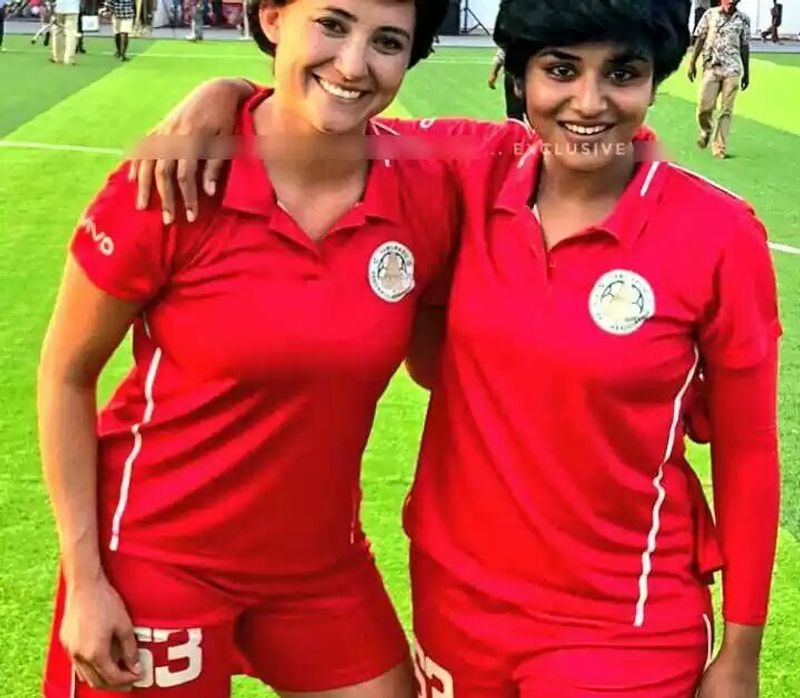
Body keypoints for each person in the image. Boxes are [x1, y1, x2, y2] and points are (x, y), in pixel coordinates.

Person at [133, 0, 781, 696]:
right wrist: (226, 96)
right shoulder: (473, 168)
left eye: (623, 73)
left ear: (656, 78)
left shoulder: (717, 233)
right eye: (561, 70)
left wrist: (741, 653)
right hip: (456, 600)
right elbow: (329, 113)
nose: (589, 102)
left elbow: (747, 448)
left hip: (622, 619)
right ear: (521, 75)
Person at [38, 1, 456, 697]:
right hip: (157, 556)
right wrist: (85, 579)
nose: (354, 64)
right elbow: (66, 373)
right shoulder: (174, 176)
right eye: (332, 25)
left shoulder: (428, 182)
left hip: (319, 564)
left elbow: (574, 132)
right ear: (272, 17)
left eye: (387, 41)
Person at [688, 0, 751, 159]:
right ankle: (706, 130)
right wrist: (692, 62)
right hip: (712, 67)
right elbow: (700, 38)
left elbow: (744, 46)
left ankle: (719, 147)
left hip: (732, 69)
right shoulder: (710, 14)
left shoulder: (743, 20)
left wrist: (746, 72)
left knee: (726, 110)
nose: (731, 1)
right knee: (704, 107)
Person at [487, 47, 525, 122]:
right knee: (513, 112)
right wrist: (494, 73)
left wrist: (494, 73)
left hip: (528, 74)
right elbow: (502, 52)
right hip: (511, 73)